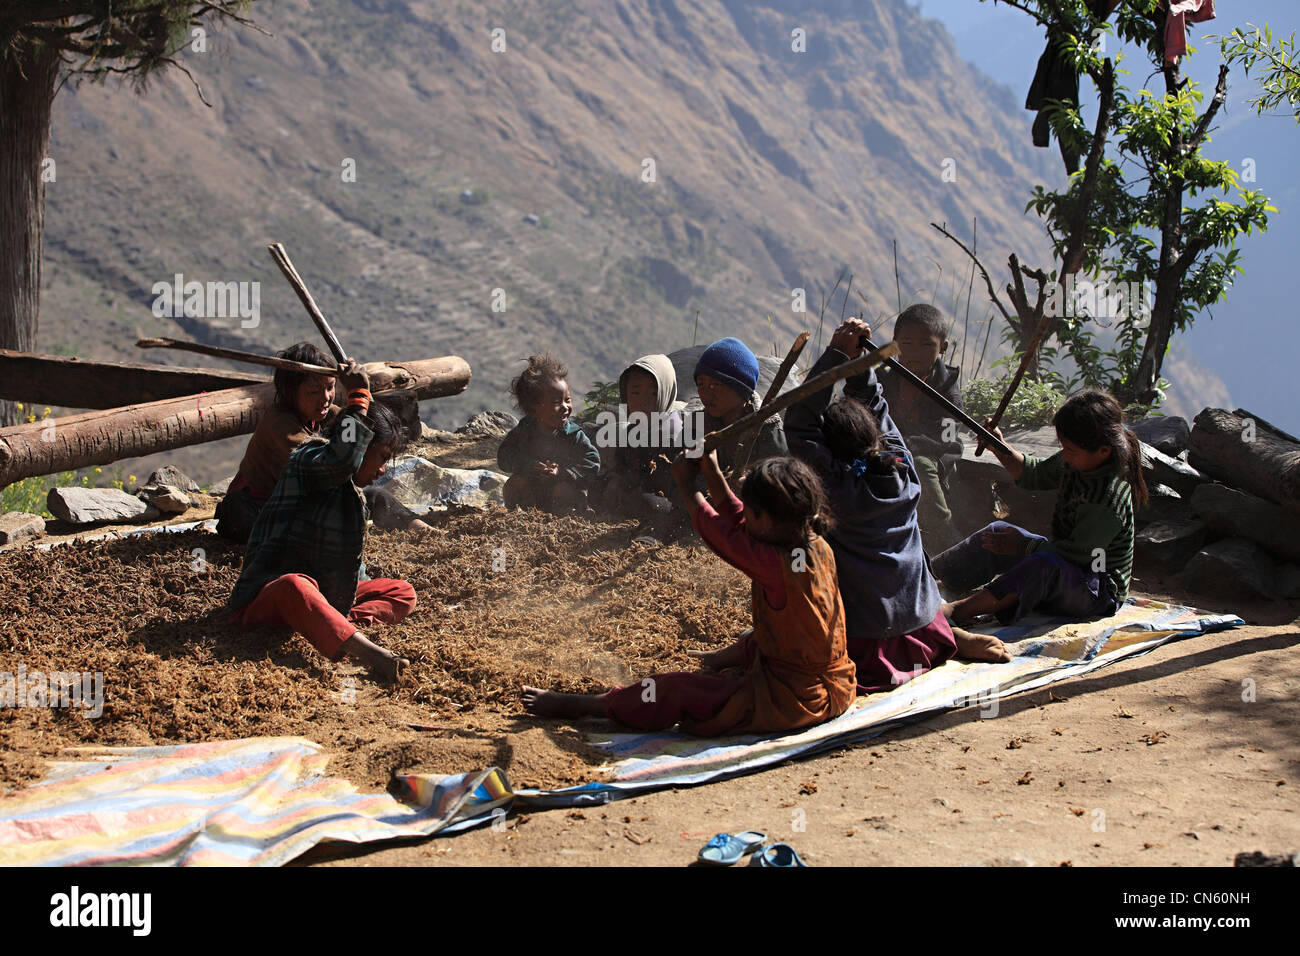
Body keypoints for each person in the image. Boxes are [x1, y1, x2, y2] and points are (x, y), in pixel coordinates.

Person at [521, 450, 857, 736]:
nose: (747, 518)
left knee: (675, 689)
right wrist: (710, 470)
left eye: (754, 512)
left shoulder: (775, 564)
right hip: (839, 686)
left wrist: (685, 483)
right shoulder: (812, 544)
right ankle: (719, 660)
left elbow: (721, 532)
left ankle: (592, 705)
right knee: (758, 634)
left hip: (794, 700)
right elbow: (742, 521)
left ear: (767, 521)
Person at [785, 319, 1007, 687]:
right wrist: (857, 368)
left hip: (867, 644)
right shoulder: (902, 471)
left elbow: (800, 423)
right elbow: (877, 410)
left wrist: (837, 355)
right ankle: (953, 636)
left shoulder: (833, 488)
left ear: (828, 450)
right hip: (923, 630)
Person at [228, 360, 416, 682]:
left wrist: (351, 588)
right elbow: (341, 459)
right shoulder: (307, 462)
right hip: (266, 602)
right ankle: (369, 653)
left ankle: (329, 624)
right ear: (360, 447)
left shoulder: (353, 496)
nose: (382, 470)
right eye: (382, 457)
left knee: (402, 592)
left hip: (322, 598)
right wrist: (358, 394)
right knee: (295, 585)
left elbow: (348, 567)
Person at [932, 389, 1148, 627]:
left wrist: (1024, 545)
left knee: (1042, 566)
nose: (1064, 456)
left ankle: (958, 611)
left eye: (1070, 450)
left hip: (1096, 589)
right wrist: (998, 446)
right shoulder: (1075, 461)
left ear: (1103, 451)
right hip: (1066, 564)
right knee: (998, 531)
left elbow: (1079, 555)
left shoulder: (1109, 496)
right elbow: (1033, 473)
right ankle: (929, 578)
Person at [215, 341, 428, 543]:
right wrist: (358, 395)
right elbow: (328, 465)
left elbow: (366, 426)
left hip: (309, 504)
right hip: (264, 507)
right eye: (314, 391)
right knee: (239, 510)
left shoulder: (324, 414)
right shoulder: (279, 423)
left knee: (375, 496)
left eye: (330, 387)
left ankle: (423, 529)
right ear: (290, 393)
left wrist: (364, 394)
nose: (326, 398)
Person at [881, 304, 964, 552]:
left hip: (933, 456)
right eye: (907, 344)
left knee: (921, 466)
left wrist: (905, 445)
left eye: (926, 345)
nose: (915, 353)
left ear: (943, 348)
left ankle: (945, 538)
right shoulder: (883, 377)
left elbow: (946, 438)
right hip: (884, 451)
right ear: (894, 344)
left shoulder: (947, 387)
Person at [498, 353, 601, 513]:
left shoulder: (574, 434)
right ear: (534, 407)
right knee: (514, 485)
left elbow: (592, 463)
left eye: (567, 400)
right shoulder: (524, 431)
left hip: (562, 493)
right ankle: (523, 517)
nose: (565, 407)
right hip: (533, 494)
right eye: (556, 402)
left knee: (562, 490)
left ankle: (567, 516)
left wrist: (563, 472)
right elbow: (504, 456)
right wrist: (528, 466)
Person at [596, 354, 688, 531]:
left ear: (666, 393)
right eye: (635, 392)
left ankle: (650, 531)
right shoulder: (633, 430)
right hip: (635, 488)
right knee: (598, 483)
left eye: (653, 393)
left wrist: (630, 484)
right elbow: (622, 462)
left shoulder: (673, 433)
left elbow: (663, 481)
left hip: (666, 497)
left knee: (651, 504)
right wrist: (616, 479)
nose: (643, 400)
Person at [692, 337, 787, 478]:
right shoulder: (695, 426)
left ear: (741, 390)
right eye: (701, 384)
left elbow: (780, 485)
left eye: (716, 385)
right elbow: (685, 479)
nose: (706, 394)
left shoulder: (768, 430)